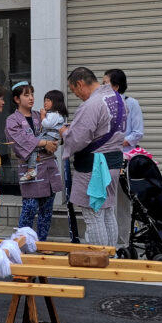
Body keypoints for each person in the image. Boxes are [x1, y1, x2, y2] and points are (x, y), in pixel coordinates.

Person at [64, 67, 127, 247]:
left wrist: (64, 133)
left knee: (93, 216)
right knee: (107, 212)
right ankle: (111, 255)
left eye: (74, 90)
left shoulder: (92, 104)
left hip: (94, 167)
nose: (76, 95)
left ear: (80, 84)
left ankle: (100, 259)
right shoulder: (119, 99)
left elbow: (77, 138)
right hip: (114, 163)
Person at [5, 82, 63, 243]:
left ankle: (42, 243)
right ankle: (21, 244)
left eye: (32, 94)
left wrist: (54, 142)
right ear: (17, 99)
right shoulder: (12, 120)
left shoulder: (41, 116)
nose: (31, 98)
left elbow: (55, 132)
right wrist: (45, 143)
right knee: (30, 208)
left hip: (49, 167)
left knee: (47, 210)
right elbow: (21, 140)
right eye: (26, 95)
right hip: (31, 170)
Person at [103, 70, 144, 248]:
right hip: (103, 159)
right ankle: (107, 242)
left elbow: (138, 132)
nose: (101, 86)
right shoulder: (102, 104)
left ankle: (123, 243)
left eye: (105, 83)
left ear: (116, 87)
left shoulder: (131, 103)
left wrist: (118, 142)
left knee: (122, 203)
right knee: (105, 202)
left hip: (124, 158)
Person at [42, 89, 78, 242]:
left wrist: (42, 116)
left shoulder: (53, 116)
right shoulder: (59, 116)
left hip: (50, 152)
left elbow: (46, 124)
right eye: (44, 100)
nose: (45, 103)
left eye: (48, 100)